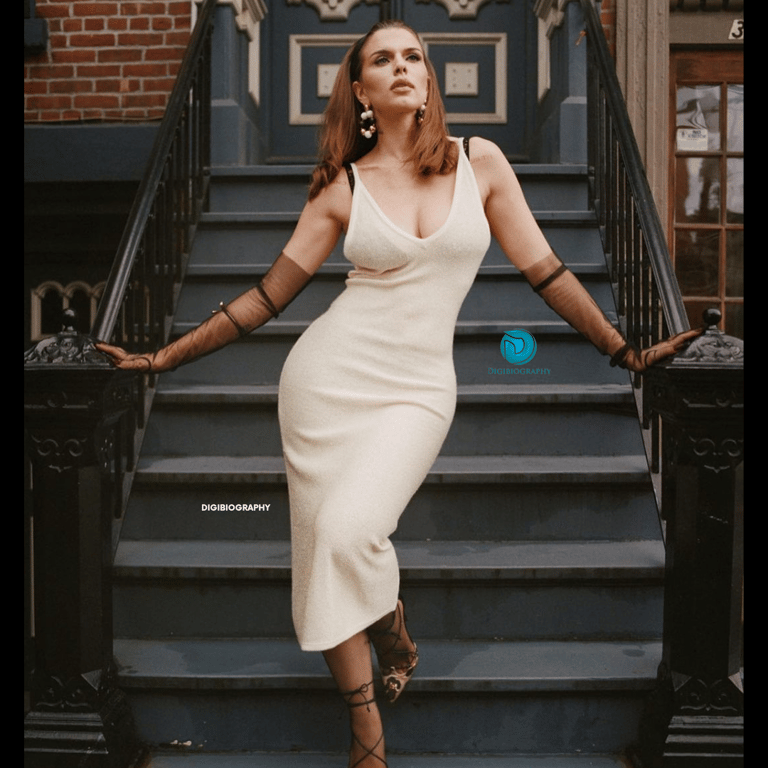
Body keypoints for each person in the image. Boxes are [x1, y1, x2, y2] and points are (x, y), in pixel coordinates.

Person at [96, 20, 700, 768]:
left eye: (415, 54)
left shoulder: (480, 164)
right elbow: (264, 298)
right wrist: (158, 359)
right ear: (362, 91)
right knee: (324, 553)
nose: (404, 65)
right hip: (324, 383)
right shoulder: (342, 188)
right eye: (384, 59)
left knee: (352, 533)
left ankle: (389, 616)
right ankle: (367, 738)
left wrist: (627, 351)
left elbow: (547, 272)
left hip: (418, 388)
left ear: (428, 77)